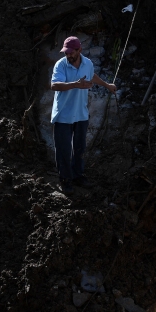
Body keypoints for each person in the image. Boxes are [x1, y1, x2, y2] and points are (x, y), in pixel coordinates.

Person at [50, 36, 117, 195]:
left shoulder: (87, 63)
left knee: (80, 148)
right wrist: (76, 85)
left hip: (81, 114)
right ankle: (65, 180)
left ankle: (78, 175)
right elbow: (54, 85)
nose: (68, 55)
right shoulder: (61, 65)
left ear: (79, 50)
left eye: (71, 52)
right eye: (66, 53)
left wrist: (107, 85)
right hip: (63, 115)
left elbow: (92, 75)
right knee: (64, 150)